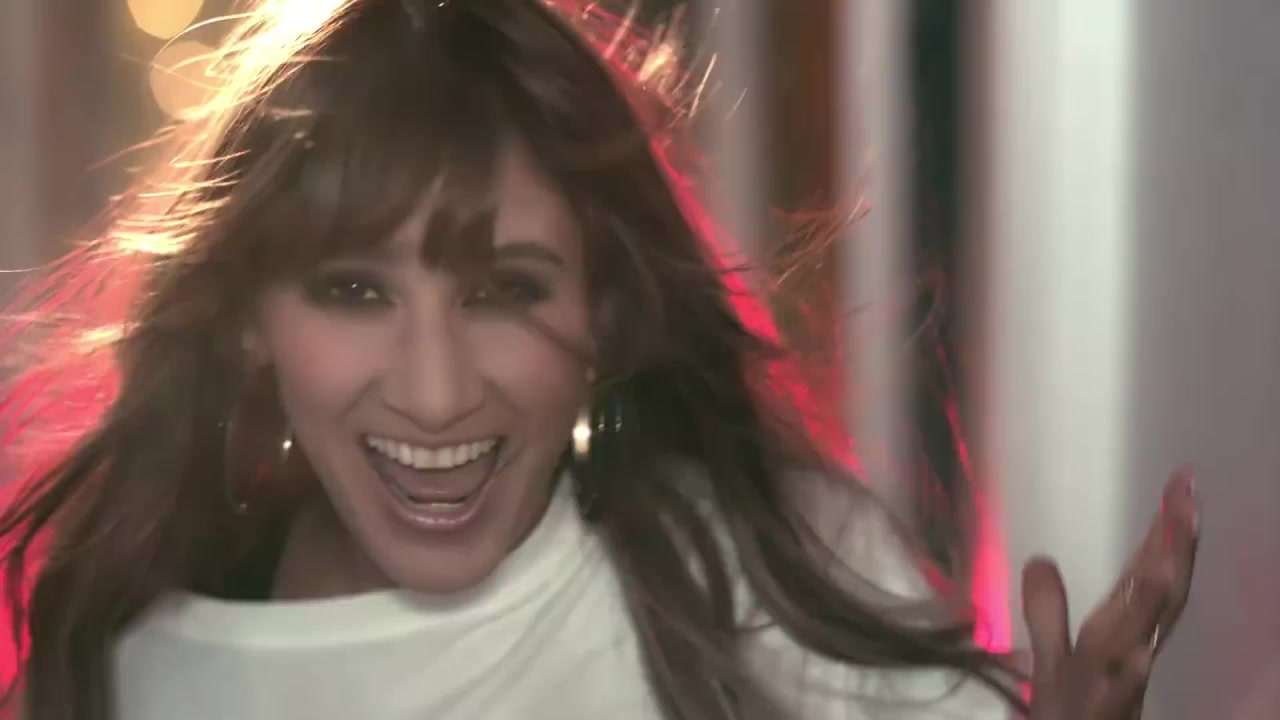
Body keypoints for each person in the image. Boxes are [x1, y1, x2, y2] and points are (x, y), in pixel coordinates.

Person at [0, 1, 1199, 718]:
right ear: (247, 322)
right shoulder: (122, 683)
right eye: (355, 292)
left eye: (505, 292)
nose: (434, 391)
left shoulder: (775, 586)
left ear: (606, 315)